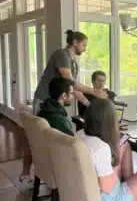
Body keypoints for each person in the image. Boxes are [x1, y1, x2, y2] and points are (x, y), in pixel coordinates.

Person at [20, 30, 108, 186]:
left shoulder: (73, 63)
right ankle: (26, 172)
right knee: (35, 137)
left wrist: (90, 105)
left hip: (57, 100)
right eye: (84, 45)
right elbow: (67, 78)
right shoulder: (61, 55)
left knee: (54, 138)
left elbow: (73, 88)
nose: (85, 49)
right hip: (44, 99)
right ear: (75, 42)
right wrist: (94, 91)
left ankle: (54, 173)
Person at [76, 98, 137, 201]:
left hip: (90, 188)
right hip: (110, 199)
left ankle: (132, 182)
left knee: (125, 145)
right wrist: (116, 154)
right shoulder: (101, 148)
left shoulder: (79, 134)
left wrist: (116, 151)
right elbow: (107, 188)